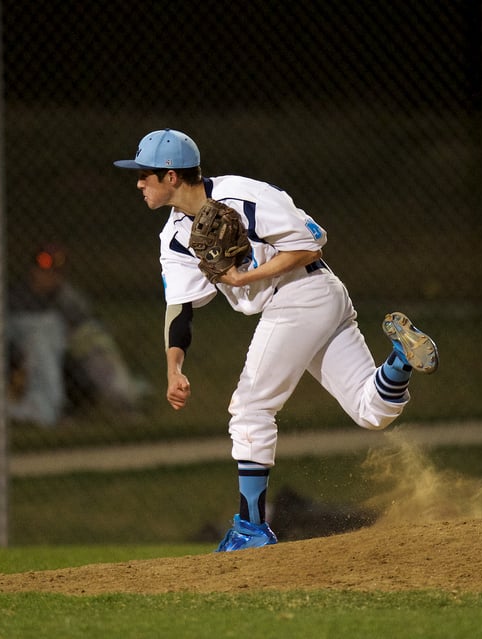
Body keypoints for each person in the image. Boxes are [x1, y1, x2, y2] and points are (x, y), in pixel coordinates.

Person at [114, 129, 439, 552]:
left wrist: (245, 277)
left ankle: (251, 529)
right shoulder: (173, 236)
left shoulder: (244, 195)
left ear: (171, 176)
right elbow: (181, 309)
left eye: (145, 174)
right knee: (371, 411)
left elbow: (310, 245)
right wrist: (174, 368)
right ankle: (400, 359)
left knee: (250, 406)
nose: (139, 182)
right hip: (307, 302)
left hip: (304, 293)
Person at [3, 243, 144, 427]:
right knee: (44, 334)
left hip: (64, 355)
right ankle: (50, 411)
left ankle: (124, 401)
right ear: (33, 271)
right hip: (24, 360)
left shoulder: (67, 297)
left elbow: (88, 324)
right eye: (45, 271)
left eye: (56, 272)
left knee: (93, 339)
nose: (50, 277)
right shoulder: (16, 296)